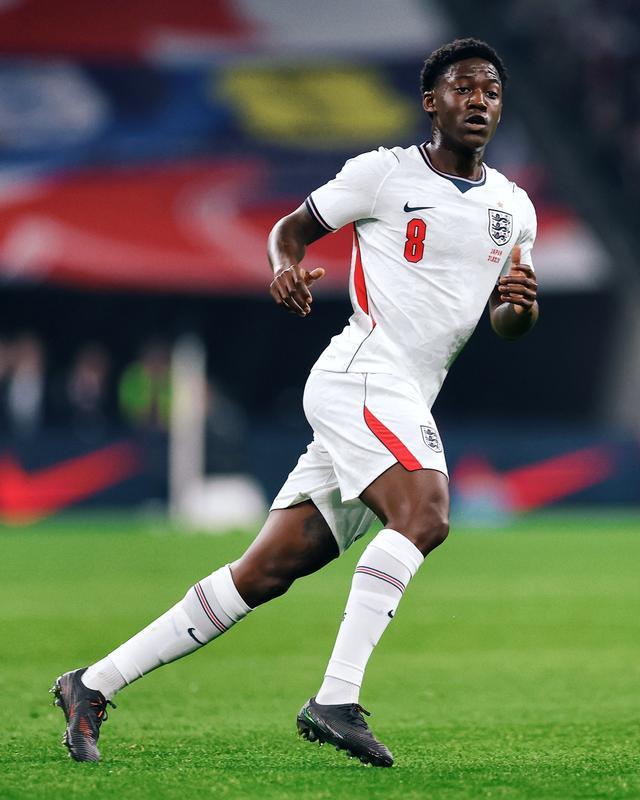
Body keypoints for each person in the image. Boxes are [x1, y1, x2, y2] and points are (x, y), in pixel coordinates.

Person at [51, 38, 538, 767]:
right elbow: (291, 230)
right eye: (463, 89)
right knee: (426, 512)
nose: (479, 101)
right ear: (431, 102)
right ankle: (336, 699)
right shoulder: (384, 173)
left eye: (491, 91)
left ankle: (92, 684)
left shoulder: (515, 208)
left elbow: (508, 320)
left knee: (266, 570)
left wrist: (521, 307)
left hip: (403, 394)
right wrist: (283, 268)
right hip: (363, 373)